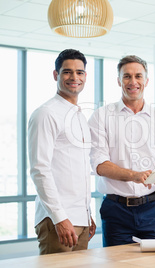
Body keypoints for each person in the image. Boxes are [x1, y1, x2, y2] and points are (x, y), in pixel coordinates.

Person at [88, 55, 155, 246]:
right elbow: (99, 164)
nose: (133, 82)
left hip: (154, 210)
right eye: (127, 76)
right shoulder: (101, 116)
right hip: (116, 211)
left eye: (138, 76)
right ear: (118, 80)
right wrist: (134, 175)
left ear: (146, 81)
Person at [28, 49, 96, 255]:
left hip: (80, 220)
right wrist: (60, 218)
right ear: (56, 75)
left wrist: (87, 214)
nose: (74, 77)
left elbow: (77, 170)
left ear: (85, 76)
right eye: (67, 72)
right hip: (59, 221)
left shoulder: (79, 117)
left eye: (80, 72)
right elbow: (40, 169)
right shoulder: (46, 114)